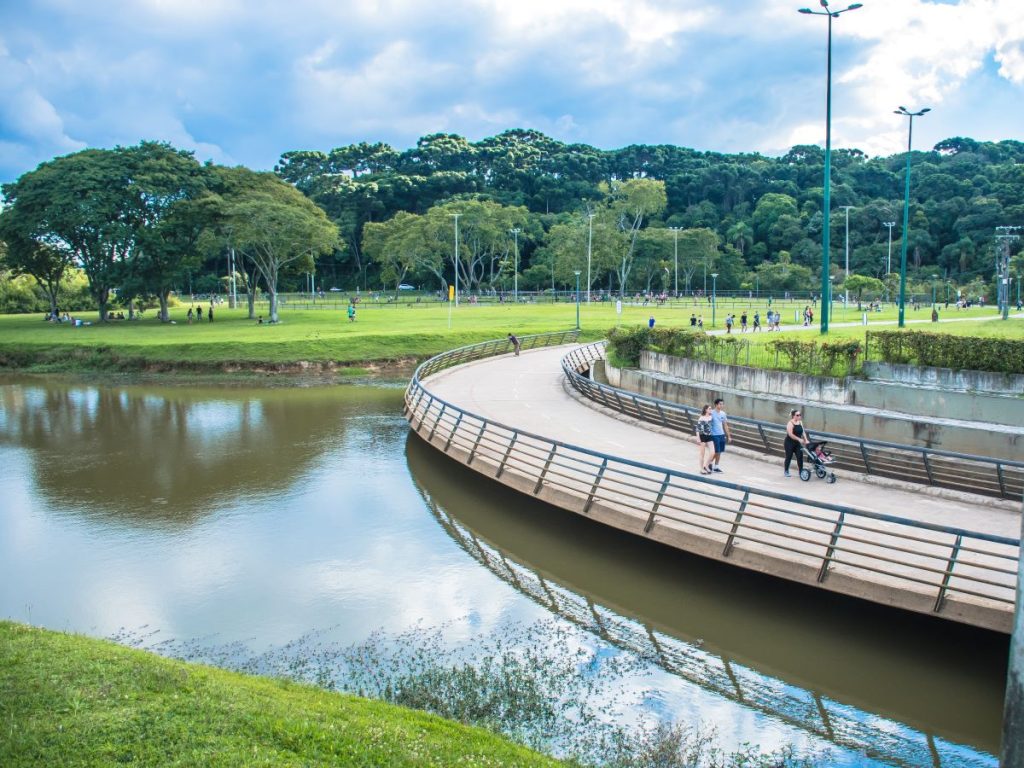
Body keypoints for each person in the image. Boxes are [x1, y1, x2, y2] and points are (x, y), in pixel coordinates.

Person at [783, 408, 810, 477]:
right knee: (789, 457)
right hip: (789, 443)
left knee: (800, 456)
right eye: (797, 415)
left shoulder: (800, 422)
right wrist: (799, 439)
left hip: (797, 443)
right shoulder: (790, 423)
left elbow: (803, 432)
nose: (799, 416)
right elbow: (790, 434)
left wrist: (806, 439)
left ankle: (801, 471)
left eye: (800, 415)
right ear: (793, 416)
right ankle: (786, 471)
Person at [707, 398, 731, 473]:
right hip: (714, 435)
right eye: (720, 404)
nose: (721, 405)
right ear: (716, 404)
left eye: (722, 404)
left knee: (719, 451)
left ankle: (716, 467)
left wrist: (729, 436)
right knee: (716, 451)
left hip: (721, 435)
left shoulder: (723, 414)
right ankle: (708, 464)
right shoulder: (711, 413)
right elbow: (707, 423)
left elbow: (725, 425)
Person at [695, 404, 714, 474]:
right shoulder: (701, 418)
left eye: (711, 409)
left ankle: (706, 466)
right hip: (702, 436)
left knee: (712, 452)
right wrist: (698, 438)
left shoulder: (711, 417)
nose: (710, 410)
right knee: (702, 454)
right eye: (709, 409)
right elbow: (697, 429)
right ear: (706, 410)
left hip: (709, 436)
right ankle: (701, 469)